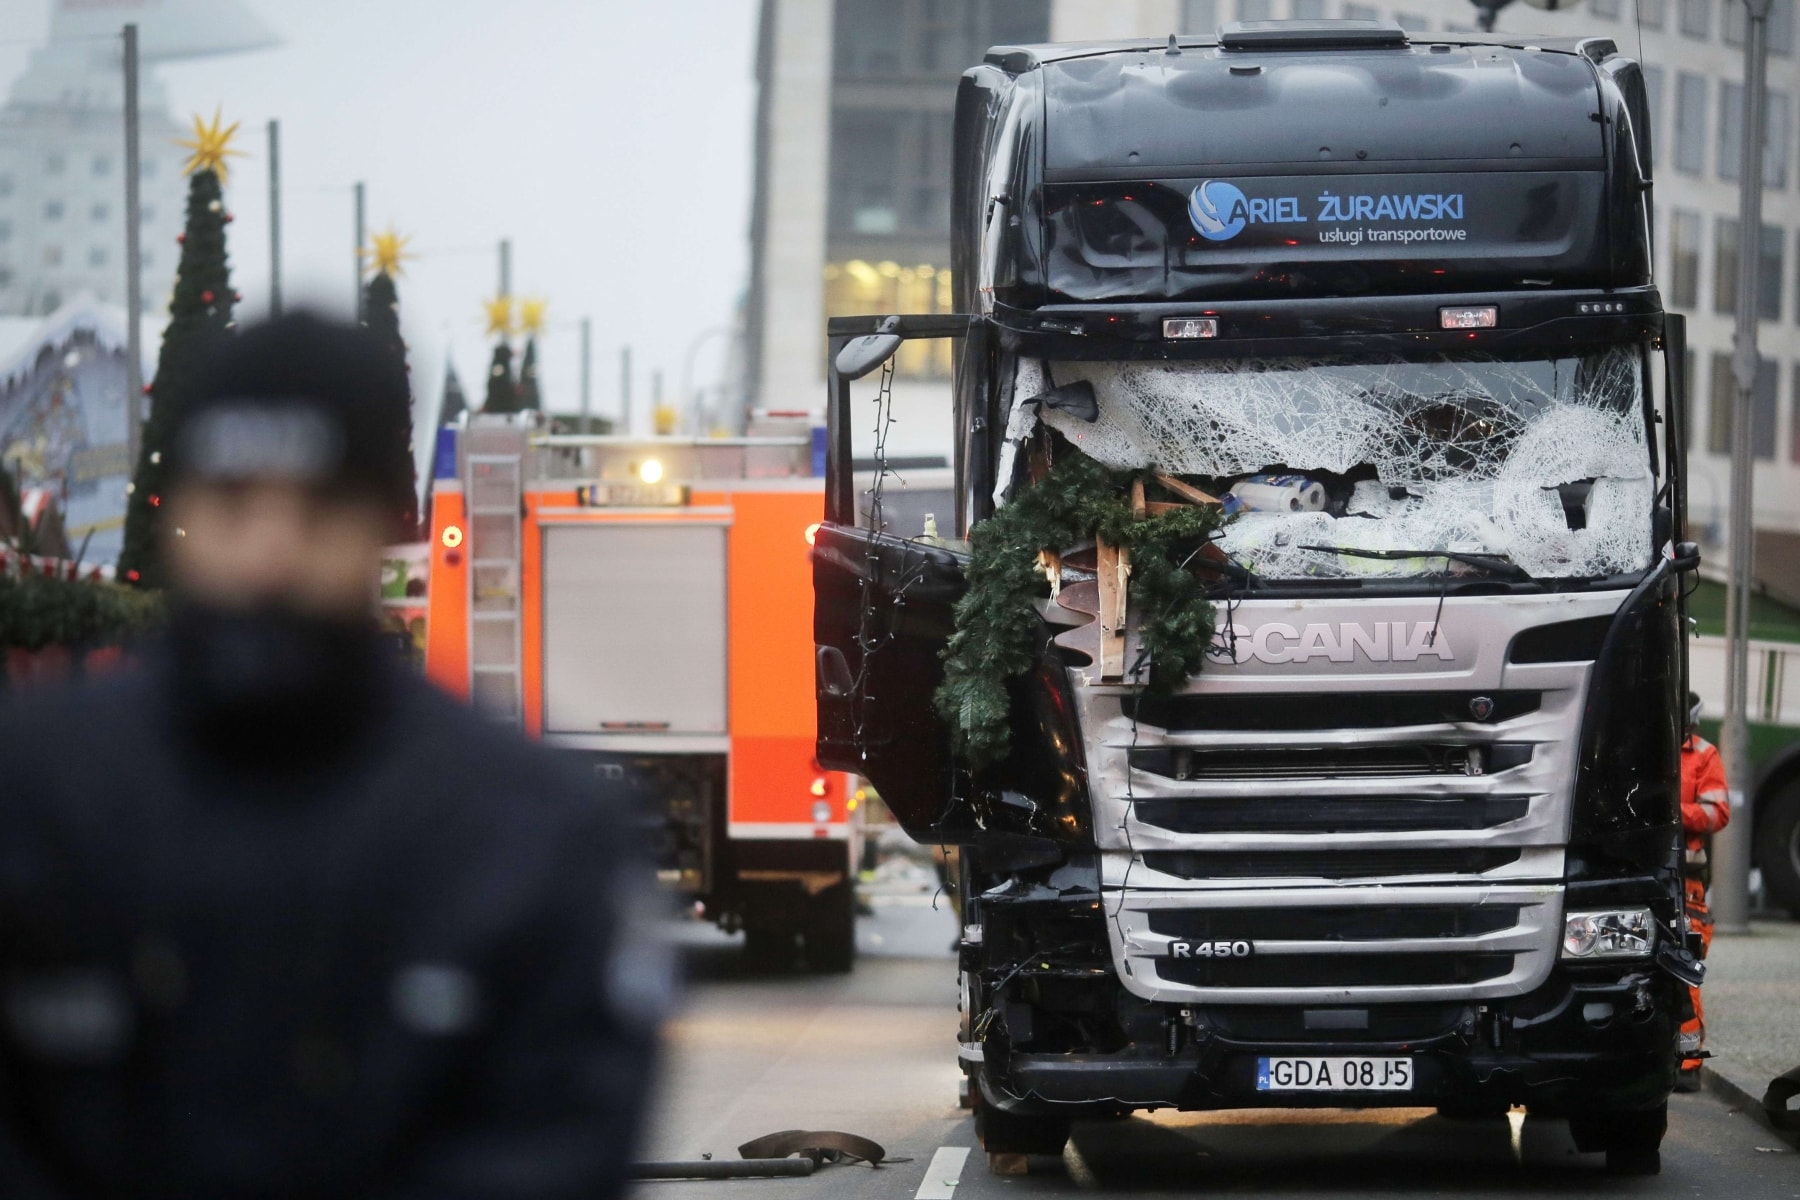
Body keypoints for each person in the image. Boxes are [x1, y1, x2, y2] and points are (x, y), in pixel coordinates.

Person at [0, 314, 667, 1199]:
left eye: (317, 510)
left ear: (379, 528)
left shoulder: (528, 831)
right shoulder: (40, 799)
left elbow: (555, 1141)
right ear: (179, 516)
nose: (273, 555)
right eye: (235, 501)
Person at [1678, 690, 1731, 1092]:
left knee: (1686, 967)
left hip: (1687, 878)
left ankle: (1688, 1064)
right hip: (1650, 871)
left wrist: (1676, 813)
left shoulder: (1703, 756)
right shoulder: (1644, 748)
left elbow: (1718, 812)